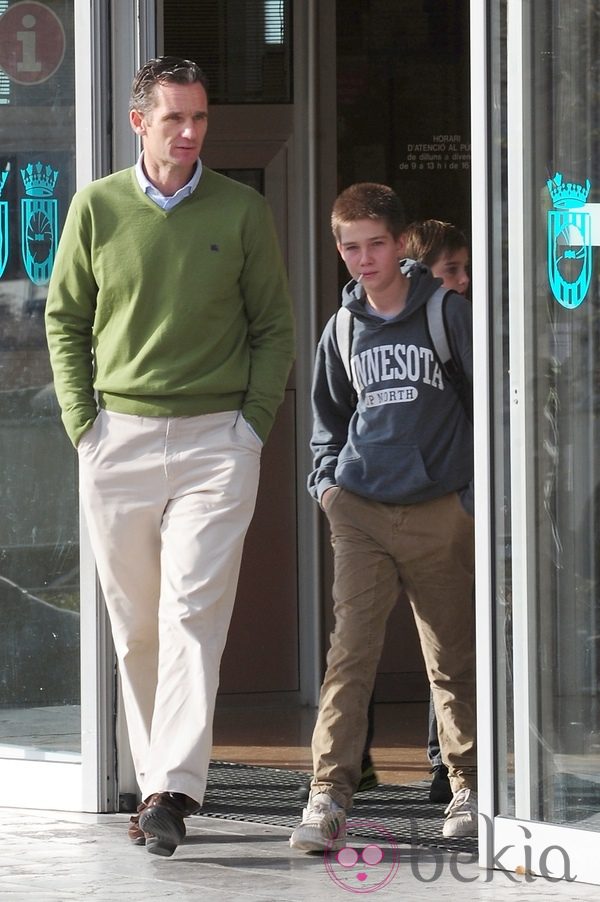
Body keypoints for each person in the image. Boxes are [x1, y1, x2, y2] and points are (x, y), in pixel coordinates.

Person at [45, 56, 295, 857]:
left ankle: (170, 790)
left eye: (201, 119)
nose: (191, 134)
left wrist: (250, 426)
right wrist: (85, 425)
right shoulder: (96, 208)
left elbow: (275, 329)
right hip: (117, 438)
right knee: (135, 627)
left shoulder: (243, 209)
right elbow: (64, 321)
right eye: (175, 119)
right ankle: (159, 779)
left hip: (216, 444)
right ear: (138, 122)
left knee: (191, 613)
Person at [289, 183, 476, 852]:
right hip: (362, 510)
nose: (363, 260)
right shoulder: (341, 328)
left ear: (400, 245)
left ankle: (467, 788)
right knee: (350, 657)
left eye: (375, 245)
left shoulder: (446, 315)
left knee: (451, 656)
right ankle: (328, 797)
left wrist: (468, 500)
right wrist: (328, 489)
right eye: (350, 247)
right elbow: (328, 419)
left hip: (438, 510)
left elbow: (484, 406)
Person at [404, 218, 471, 804]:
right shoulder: (378, 329)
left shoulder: (462, 322)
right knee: (444, 638)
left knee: (459, 636)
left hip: (466, 499)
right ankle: (443, 764)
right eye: (452, 270)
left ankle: (461, 763)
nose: (465, 281)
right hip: (422, 504)